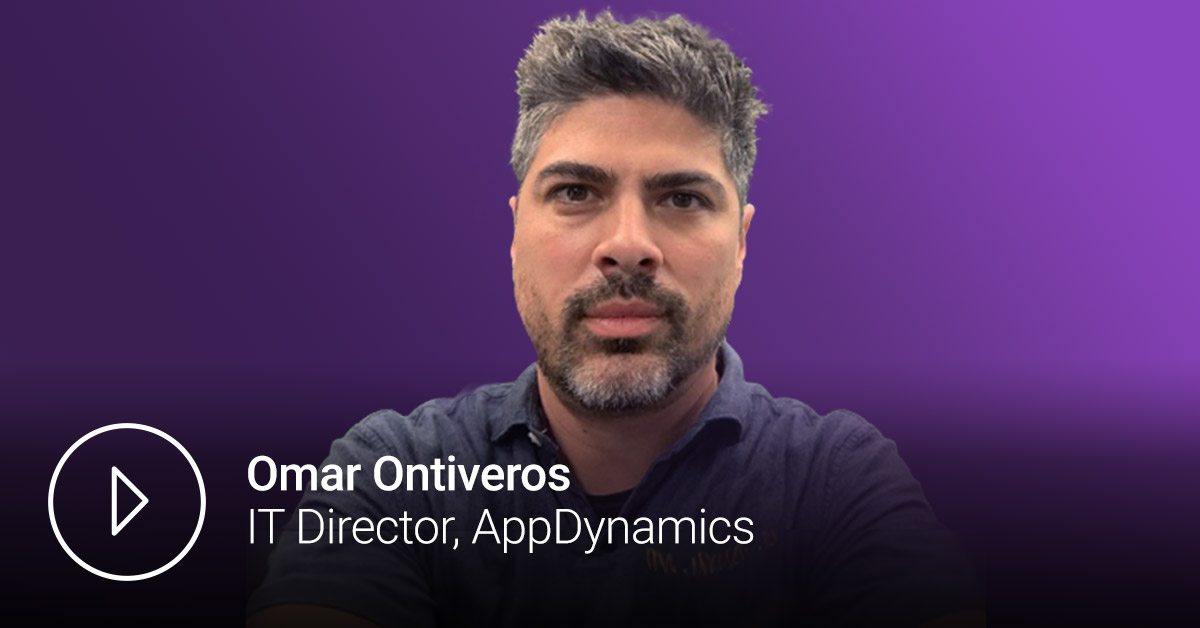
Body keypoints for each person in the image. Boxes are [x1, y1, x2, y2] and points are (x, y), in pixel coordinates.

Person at [248, 11, 983, 627]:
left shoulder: (834, 479)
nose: (628, 244)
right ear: (515, 234)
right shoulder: (400, 470)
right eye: (575, 192)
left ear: (741, 243)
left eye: (682, 199)